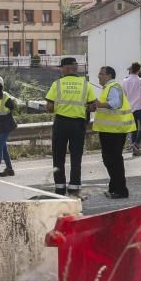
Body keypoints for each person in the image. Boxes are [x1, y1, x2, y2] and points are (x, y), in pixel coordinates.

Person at [45, 57, 97, 197]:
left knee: (58, 156)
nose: (60, 70)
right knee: (76, 157)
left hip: (61, 123)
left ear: (66, 68)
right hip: (78, 125)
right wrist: (85, 107)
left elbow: (49, 107)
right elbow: (94, 106)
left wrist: (57, 107)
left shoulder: (57, 84)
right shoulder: (85, 84)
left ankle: (60, 187)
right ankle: (74, 187)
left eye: (61, 67)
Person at [93, 66, 135, 199]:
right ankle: (114, 188)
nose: (99, 76)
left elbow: (115, 103)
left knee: (113, 160)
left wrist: (99, 104)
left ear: (109, 75)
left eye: (101, 74)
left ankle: (121, 190)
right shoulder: (108, 88)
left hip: (114, 131)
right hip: (110, 130)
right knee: (109, 160)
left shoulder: (114, 87)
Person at [121, 62, 141, 157]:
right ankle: (136, 143)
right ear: (139, 70)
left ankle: (134, 149)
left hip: (129, 107)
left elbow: (123, 95)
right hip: (139, 107)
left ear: (131, 69)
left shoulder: (124, 81)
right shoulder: (140, 81)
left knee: (133, 129)